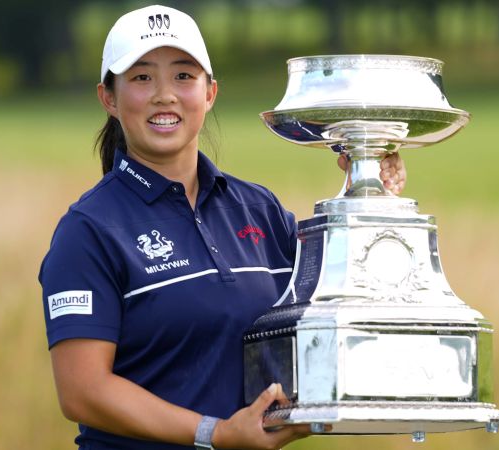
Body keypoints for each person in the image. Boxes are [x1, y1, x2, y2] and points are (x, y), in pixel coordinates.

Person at [39, 4, 407, 450]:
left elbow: (336, 294)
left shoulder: (259, 210)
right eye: (141, 77)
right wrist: (215, 434)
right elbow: (83, 392)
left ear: (210, 92)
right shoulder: (89, 231)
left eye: (182, 76)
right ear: (109, 98)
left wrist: (367, 193)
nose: (163, 95)